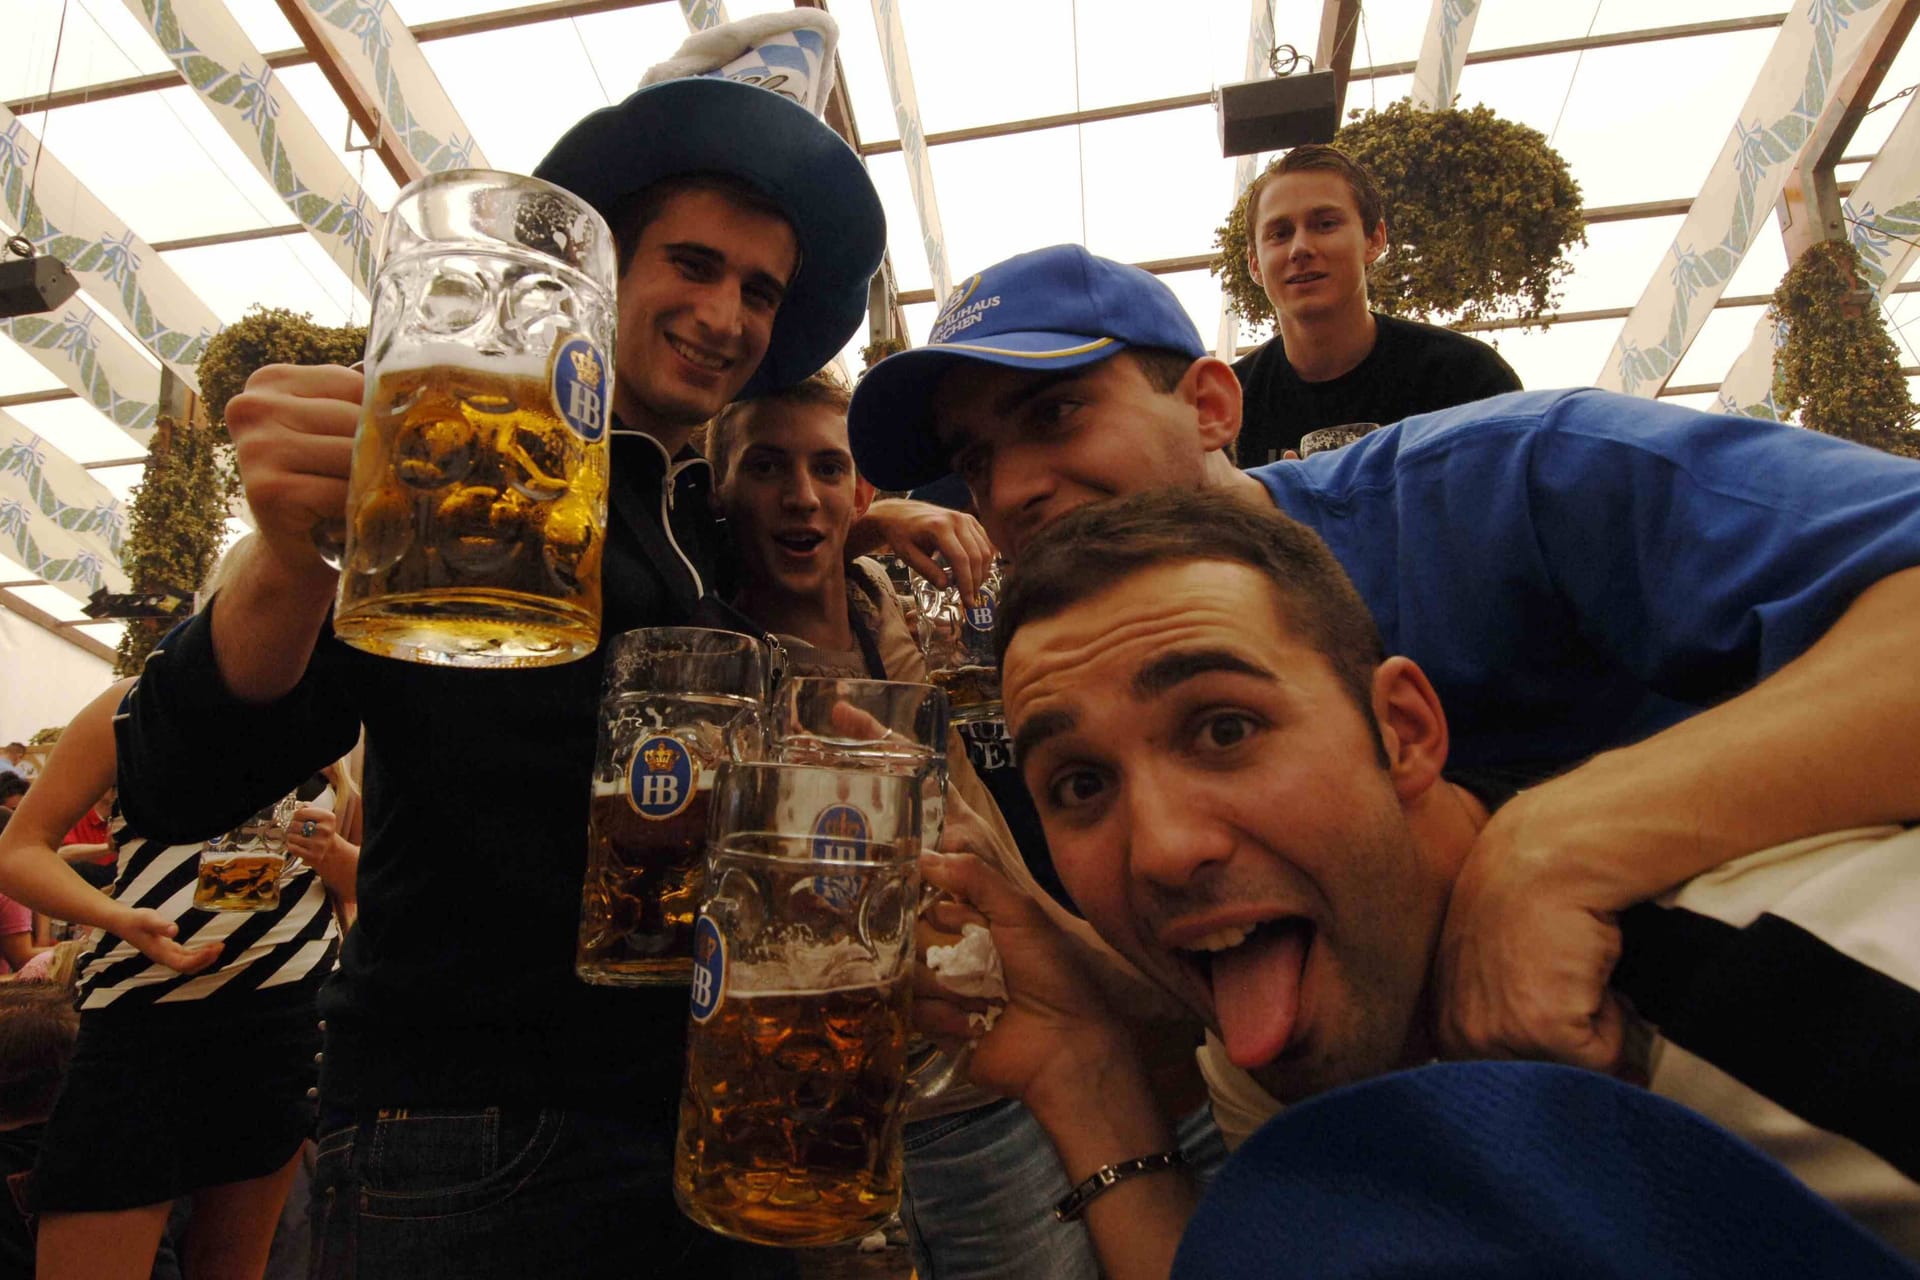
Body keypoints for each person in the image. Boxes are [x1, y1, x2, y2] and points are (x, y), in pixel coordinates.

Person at [110, 15, 978, 1279]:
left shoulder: (697, 523)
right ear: (600, 272)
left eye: (761, 289)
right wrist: (294, 552)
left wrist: (868, 512)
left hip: (693, 1124)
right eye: (693, 263)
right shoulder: (477, 471)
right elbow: (183, 777)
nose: (726, 312)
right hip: (473, 1135)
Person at [913, 490, 1919, 1277]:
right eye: (1082, 783)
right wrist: (1079, 1066)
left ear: (1404, 730)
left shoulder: (1762, 1001)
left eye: (1225, 728)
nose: (1162, 851)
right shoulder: (1279, 1033)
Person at [711, 369, 1175, 1279]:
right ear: (715, 491)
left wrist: (874, 525)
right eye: (765, 468)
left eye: (828, 469)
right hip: (932, 1092)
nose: (801, 495)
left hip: (1041, 1028)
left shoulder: (885, 602)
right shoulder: (723, 657)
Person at [0, 663, 357, 1280]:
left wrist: (335, 854)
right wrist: (113, 915)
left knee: (235, 1264)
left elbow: (380, 888)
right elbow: (18, 849)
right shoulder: (135, 706)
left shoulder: (330, 733)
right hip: (141, 1017)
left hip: (280, 1022)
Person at [1229, 145, 1519, 464]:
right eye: (1279, 233)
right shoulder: (1227, 408)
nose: (1300, 248)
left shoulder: (1466, 380)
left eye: (1325, 224)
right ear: (1255, 264)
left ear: (1375, 239)